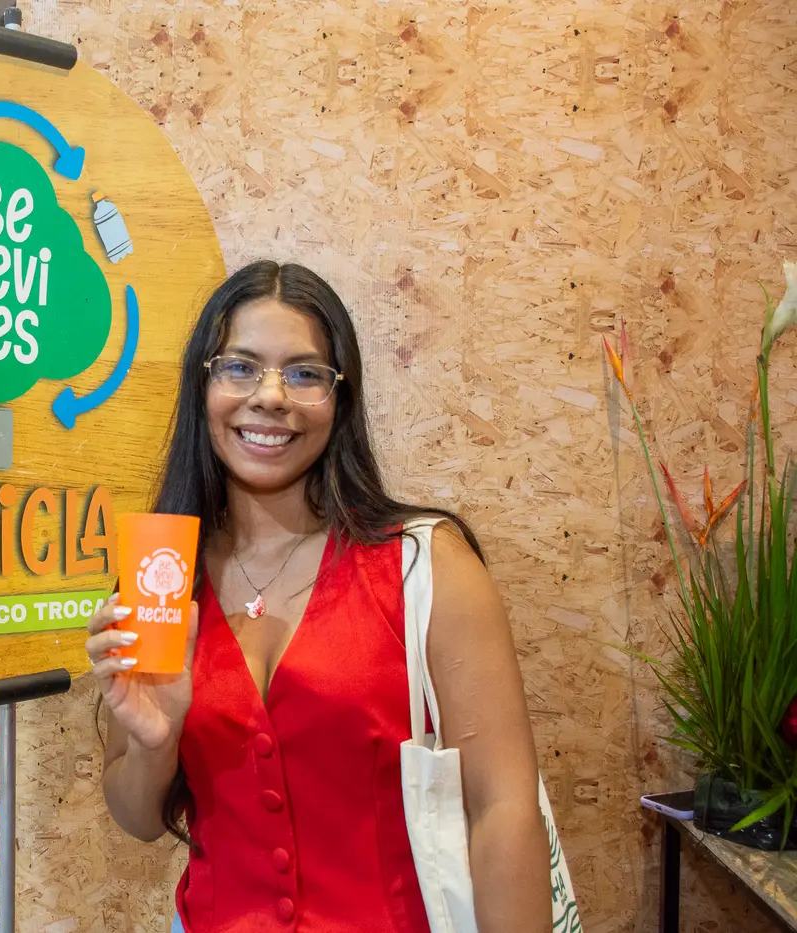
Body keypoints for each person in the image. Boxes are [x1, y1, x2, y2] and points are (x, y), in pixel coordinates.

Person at [85, 262, 549, 933]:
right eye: (239, 367)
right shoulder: (163, 577)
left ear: (339, 397)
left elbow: (503, 806)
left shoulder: (426, 563)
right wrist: (156, 740)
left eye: (304, 373)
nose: (270, 396)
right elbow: (136, 818)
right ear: (203, 385)